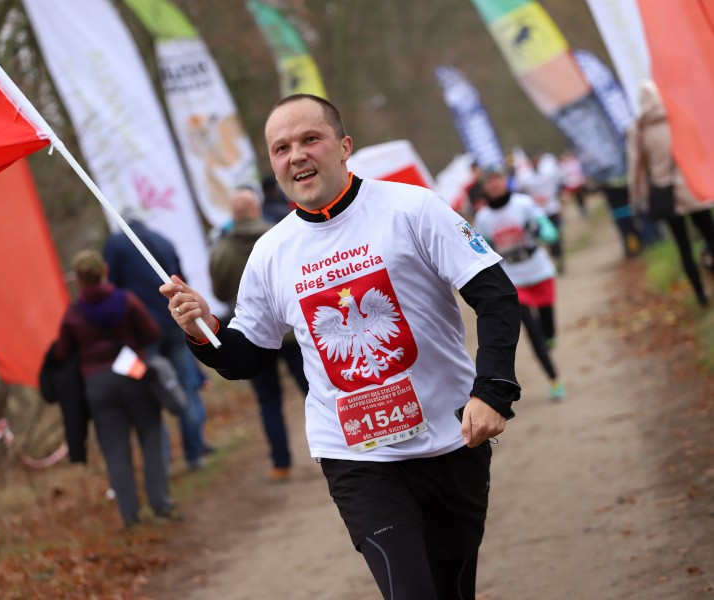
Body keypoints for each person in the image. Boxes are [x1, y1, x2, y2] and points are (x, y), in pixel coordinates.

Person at [160, 94, 522, 599]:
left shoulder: (411, 208)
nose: (297, 155)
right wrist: (200, 328)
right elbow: (245, 356)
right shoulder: (271, 253)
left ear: (345, 145)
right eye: (281, 148)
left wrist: (492, 390)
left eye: (311, 139)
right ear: (273, 164)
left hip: (452, 438)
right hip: (357, 455)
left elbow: (497, 296)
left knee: (453, 588)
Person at [55, 250, 177, 527]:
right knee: (151, 440)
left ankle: (129, 515)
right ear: (105, 270)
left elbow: (63, 353)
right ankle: (160, 504)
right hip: (134, 375)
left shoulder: (72, 315)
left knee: (115, 450)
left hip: (98, 385)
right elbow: (152, 333)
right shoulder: (127, 301)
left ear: (78, 280)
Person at [209, 188, 309, 480]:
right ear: (256, 209)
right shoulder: (281, 237)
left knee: (268, 400)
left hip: (252, 336)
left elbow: (218, 292)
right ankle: (340, 446)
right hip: (291, 332)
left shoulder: (222, 252)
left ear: (233, 215)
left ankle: (280, 463)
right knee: (314, 391)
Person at [103, 212, 211, 469]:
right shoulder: (163, 240)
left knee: (152, 394)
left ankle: (163, 460)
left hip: (142, 331)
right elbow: (181, 280)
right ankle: (195, 454)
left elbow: (113, 290)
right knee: (184, 387)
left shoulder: (115, 245)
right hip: (175, 322)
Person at [475, 168, 566, 401]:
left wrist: (539, 230)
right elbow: (481, 250)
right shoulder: (483, 218)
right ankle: (555, 380)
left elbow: (551, 234)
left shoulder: (523, 203)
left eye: (497, 179)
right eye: (489, 182)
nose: (494, 185)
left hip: (539, 272)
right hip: (513, 280)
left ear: (505, 181)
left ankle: (550, 338)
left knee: (548, 331)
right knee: (533, 334)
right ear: (485, 187)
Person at [628, 80, 714, 308]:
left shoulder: (639, 128)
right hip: (692, 187)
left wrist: (636, 199)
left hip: (665, 195)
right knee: (710, 236)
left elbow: (636, 168)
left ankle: (701, 295)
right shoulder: (679, 116)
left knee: (684, 247)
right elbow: (700, 148)